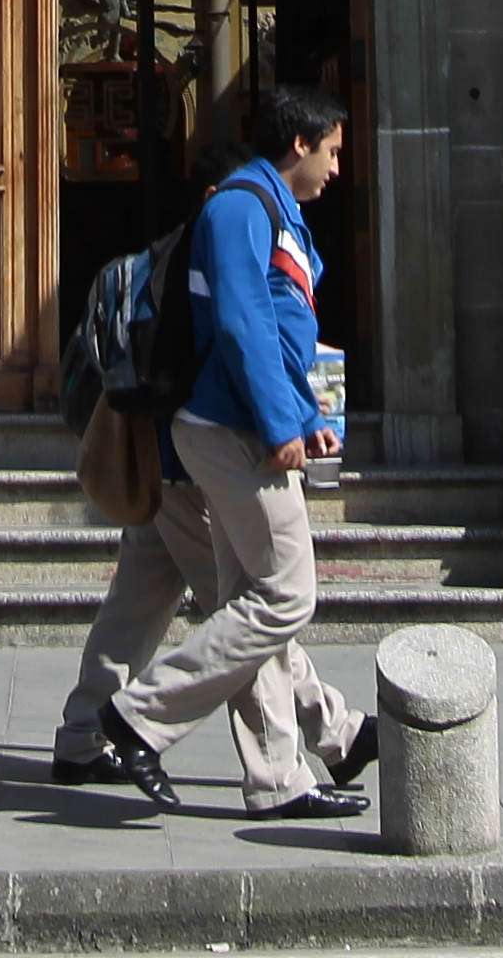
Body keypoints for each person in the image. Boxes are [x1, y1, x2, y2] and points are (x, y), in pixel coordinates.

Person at [84, 83, 375, 820]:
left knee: (236, 603)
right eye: (333, 152)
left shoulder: (274, 210)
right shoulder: (243, 207)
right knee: (285, 594)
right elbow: (244, 324)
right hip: (228, 431)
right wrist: (282, 427)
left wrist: (306, 414)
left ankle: (284, 774)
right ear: (299, 144)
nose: (339, 168)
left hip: (239, 425)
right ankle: (139, 715)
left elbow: (277, 332)